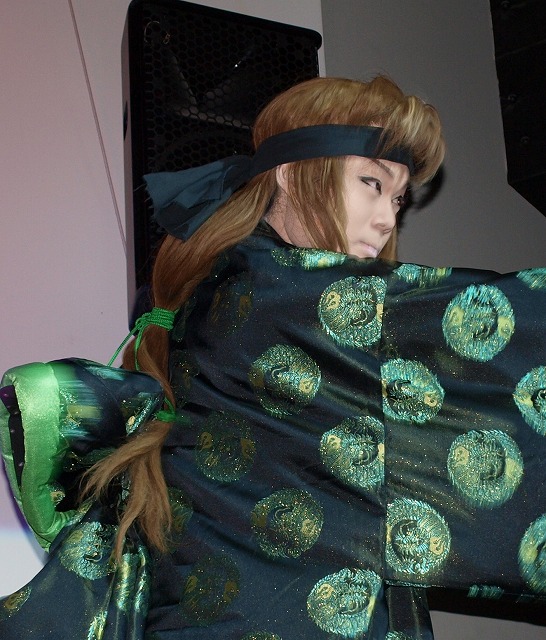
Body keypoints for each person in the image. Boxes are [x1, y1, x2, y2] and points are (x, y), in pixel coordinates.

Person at [1, 76, 546, 640]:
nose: (388, 218)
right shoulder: (281, 299)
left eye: (398, 198)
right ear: (290, 174)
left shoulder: (226, 293)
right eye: (371, 183)